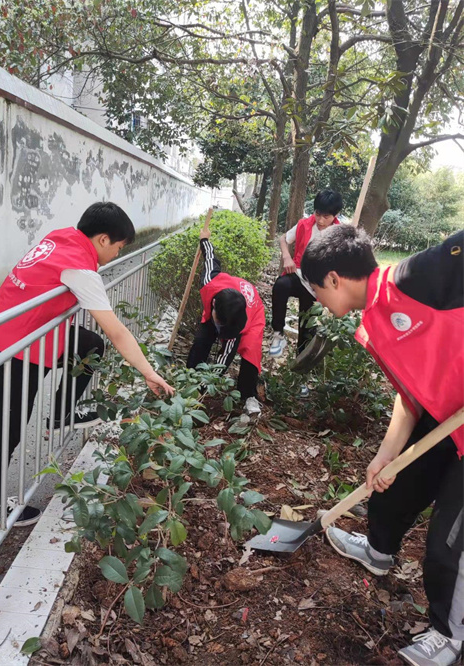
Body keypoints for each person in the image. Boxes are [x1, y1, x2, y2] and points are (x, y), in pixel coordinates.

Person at [300, 225, 464, 666]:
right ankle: (378, 552)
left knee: (449, 543)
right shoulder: (373, 324)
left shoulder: (414, 278)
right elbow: (409, 397)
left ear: (334, 279)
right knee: (395, 483)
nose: (318, 299)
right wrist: (386, 454)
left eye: (316, 290)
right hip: (448, 415)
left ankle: (449, 636)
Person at [0, 202, 174, 527]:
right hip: (8, 353)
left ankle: (61, 413)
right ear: (103, 239)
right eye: (119, 247)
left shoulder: (63, 237)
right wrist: (149, 372)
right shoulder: (80, 269)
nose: (118, 254)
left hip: (28, 335)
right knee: (4, 432)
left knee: (89, 345)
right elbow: (117, 331)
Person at [187, 228, 265, 416]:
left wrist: (207, 385)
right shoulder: (210, 280)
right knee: (202, 340)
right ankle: (189, 377)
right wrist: (204, 239)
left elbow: (224, 358)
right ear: (213, 305)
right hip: (225, 304)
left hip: (252, 313)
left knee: (251, 352)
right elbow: (210, 257)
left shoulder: (239, 323)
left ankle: (248, 395)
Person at [269, 189, 343, 359]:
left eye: (326, 217)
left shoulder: (340, 234)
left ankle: (300, 365)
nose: (320, 220)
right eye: (318, 214)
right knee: (281, 285)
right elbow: (283, 239)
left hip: (317, 287)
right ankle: (278, 334)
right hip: (299, 276)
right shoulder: (305, 224)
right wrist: (287, 257)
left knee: (307, 331)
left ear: (335, 215)